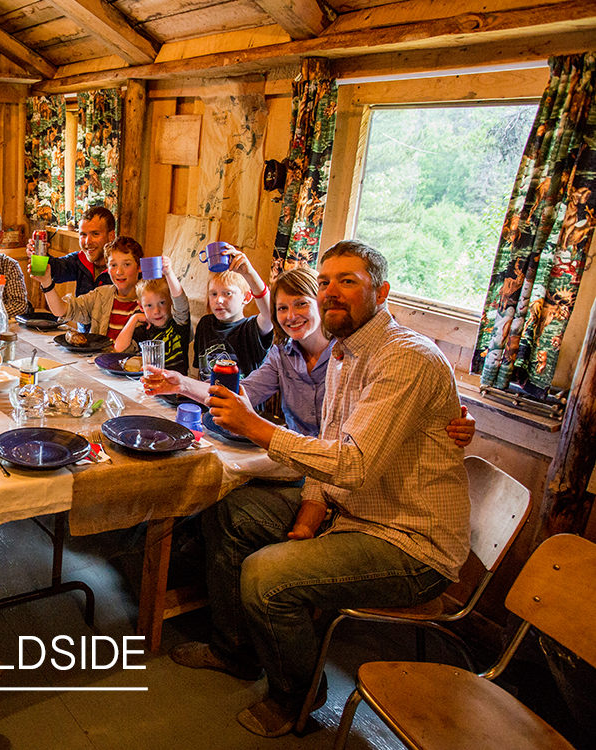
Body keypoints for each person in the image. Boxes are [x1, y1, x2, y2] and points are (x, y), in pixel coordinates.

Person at [170, 241, 472, 738]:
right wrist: (308, 516)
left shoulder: (406, 359)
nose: (332, 292)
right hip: (350, 511)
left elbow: (349, 463)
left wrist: (256, 427)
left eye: (347, 281)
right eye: (326, 281)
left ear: (383, 292)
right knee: (229, 510)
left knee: (266, 575)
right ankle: (234, 652)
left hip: (409, 541)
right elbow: (330, 454)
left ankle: (298, 697)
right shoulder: (345, 355)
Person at [146, 264, 475, 536]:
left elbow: (399, 412)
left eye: (301, 303)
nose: (291, 316)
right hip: (300, 464)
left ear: (320, 303)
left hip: (339, 477)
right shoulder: (281, 353)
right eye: (282, 308)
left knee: (221, 486)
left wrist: (462, 421)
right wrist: (181, 384)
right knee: (214, 491)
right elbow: (239, 395)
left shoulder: (351, 354)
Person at [33, 236, 144, 339]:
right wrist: (46, 283)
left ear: (139, 267)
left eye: (127, 265)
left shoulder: (148, 300)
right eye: (113, 265)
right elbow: (61, 310)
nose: (119, 272)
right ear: (107, 268)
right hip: (98, 358)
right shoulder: (100, 295)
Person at [193, 244, 274, 378]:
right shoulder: (205, 324)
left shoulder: (251, 328)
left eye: (227, 293)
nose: (218, 300)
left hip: (241, 398)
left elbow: (271, 313)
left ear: (247, 297)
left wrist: (248, 273)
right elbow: (201, 372)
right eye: (213, 294)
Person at [113, 256, 191, 374]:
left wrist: (169, 273)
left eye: (162, 303)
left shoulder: (178, 324)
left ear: (171, 301)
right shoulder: (144, 330)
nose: (156, 311)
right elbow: (119, 349)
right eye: (149, 306)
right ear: (141, 306)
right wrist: (134, 318)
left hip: (176, 388)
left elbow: (181, 303)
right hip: (149, 385)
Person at [26, 205, 115, 298]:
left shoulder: (121, 268)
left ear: (111, 236)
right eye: (83, 235)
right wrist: (41, 255)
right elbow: (57, 269)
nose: (88, 241)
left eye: (95, 234)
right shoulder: (80, 259)